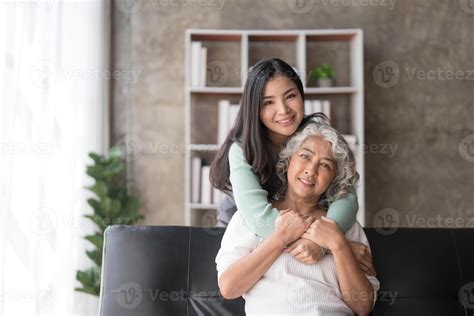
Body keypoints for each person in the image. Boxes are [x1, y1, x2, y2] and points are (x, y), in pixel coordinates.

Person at [211, 58, 372, 269]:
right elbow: (259, 220)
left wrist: (323, 244)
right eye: (268, 102)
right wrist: (336, 245)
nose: (284, 110)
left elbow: (346, 198)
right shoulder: (241, 149)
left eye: (290, 96)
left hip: (292, 229)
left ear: (302, 95)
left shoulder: (316, 133)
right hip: (245, 230)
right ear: (254, 109)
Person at [215, 119, 379, 315]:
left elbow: (362, 307)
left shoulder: (345, 227)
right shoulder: (250, 219)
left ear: (335, 178)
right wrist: (279, 238)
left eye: (325, 165)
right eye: (305, 156)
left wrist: (339, 244)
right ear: (288, 161)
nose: (311, 170)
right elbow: (229, 287)